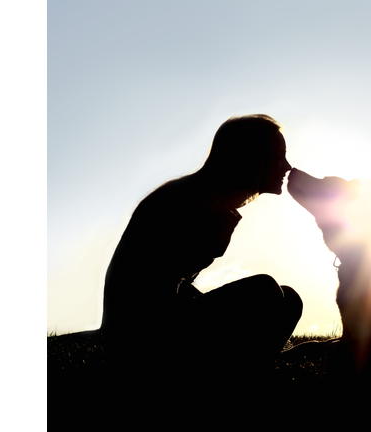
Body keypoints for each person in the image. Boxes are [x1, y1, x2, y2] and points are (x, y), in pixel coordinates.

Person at [100, 114, 302, 385]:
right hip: (141, 334)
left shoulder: (212, 201)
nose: (287, 165)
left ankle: (256, 361)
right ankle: (232, 371)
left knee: (289, 299)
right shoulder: (192, 201)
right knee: (264, 290)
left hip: (160, 322)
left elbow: (176, 284)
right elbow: (150, 286)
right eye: (279, 156)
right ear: (251, 158)